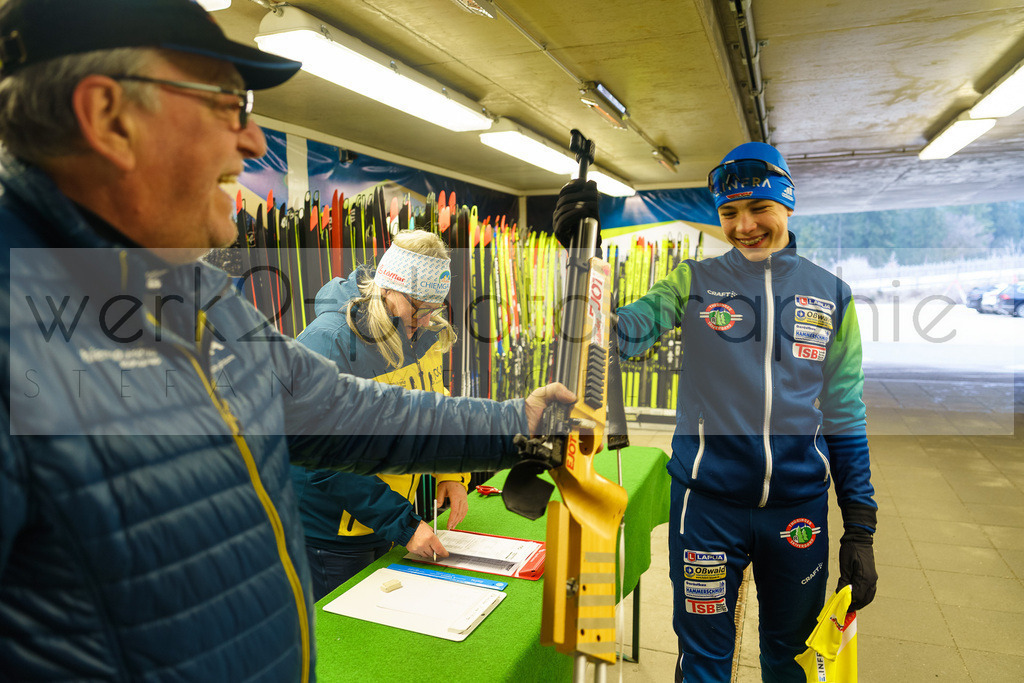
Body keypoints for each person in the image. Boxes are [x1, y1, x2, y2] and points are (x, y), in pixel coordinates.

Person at [0, 1, 574, 681]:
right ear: (108, 118)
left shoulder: (195, 296)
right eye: (228, 103)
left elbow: (353, 412)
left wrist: (518, 424)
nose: (249, 141)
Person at [554, 142, 878, 682]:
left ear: (788, 207)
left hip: (796, 515)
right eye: (729, 213)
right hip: (706, 510)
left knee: (792, 658)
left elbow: (846, 416)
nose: (744, 226)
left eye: (759, 209)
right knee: (704, 661)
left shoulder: (832, 296)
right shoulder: (692, 282)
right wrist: (579, 261)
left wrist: (860, 528)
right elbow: (616, 332)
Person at [291, 230, 471, 601]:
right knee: (345, 647)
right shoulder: (328, 342)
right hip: (329, 533)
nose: (424, 320)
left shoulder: (421, 333)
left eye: (433, 309)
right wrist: (403, 525)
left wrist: (450, 471)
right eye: (418, 308)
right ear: (389, 289)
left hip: (383, 518)